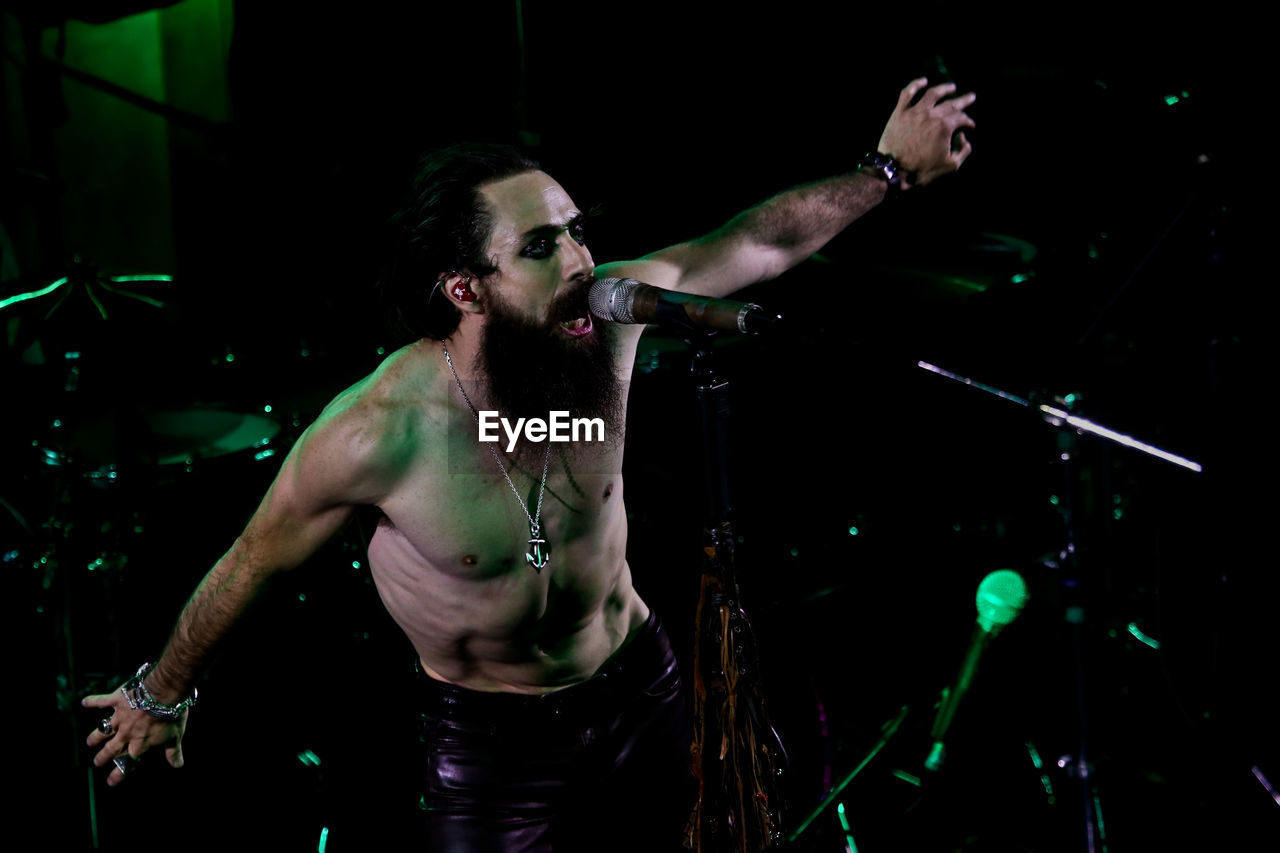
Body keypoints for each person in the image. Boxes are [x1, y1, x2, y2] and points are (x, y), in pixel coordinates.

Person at [83, 78, 975, 850]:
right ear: (464, 288)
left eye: (577, 232)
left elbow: (760, 243)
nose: (583, 264)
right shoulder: (379, 432)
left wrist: (886, 171)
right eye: (541, 248)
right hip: (491, 746)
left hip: (641, 690)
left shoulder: (611, 327)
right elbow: (251, 560)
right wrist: (160, 693)